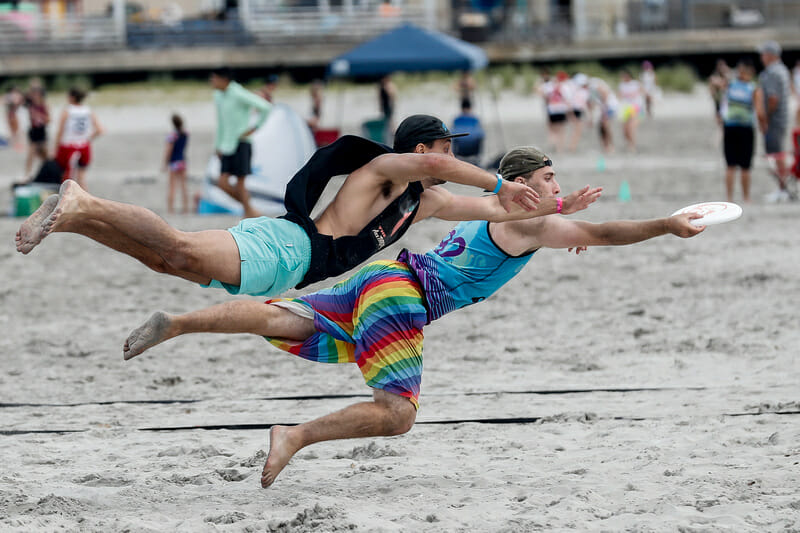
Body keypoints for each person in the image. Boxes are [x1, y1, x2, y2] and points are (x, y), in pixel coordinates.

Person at [121, 146, 703, 489]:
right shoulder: (531, 222)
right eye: (549, 179)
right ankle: (293, 436)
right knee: (397, 415)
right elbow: (603, 233)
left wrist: (560, 208)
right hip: (403, 300)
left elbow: (551, 218)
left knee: (284, 319)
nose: (558, 185)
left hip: (381, 277)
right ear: (523, 183)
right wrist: (667, 225)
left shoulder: (492, 208)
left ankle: (179, 322)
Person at [16, 114, 540, 300]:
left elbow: (497, 213)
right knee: (176, 246)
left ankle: (76, 218)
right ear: (420, 151)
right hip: (289, 247)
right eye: (445, 145)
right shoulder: (381, 172)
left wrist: (551, 207)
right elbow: (448, 171)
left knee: (165, 261)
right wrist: (498, 179)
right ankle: (83, 199)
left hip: (292, 269)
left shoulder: (422, 204)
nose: (451, 154)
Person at [210, 67, 272, 218]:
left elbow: (265, 107)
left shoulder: (237, 93)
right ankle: (250, 209)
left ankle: (249, 212)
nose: (211, 81)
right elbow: (221, 123)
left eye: (214, 78)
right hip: (227, 144)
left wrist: (254, 127)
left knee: (240, 183)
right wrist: (218, 146)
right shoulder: (218, 96)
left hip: (242, 142)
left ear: (224, 79)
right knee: (222, 183)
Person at [755, 41, 792, 202]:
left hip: (775, 120)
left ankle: (782, 189)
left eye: (763, 53)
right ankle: (782, 188)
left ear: (770, 55)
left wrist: (765, 118)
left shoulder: (772, 73)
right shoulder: (783, 70)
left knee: (776, 155)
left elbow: (772, 98)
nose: (761, 57)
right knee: (778, 154)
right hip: (782, 118)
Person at [720, 59, 757, 203]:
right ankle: (746, 197)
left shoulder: (730, 85)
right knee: (745, 166)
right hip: (746, 127)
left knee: (730, 165)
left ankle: (729, 198)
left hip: (730, 127)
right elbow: (758, 110)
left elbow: (718, 92)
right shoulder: (753, 88)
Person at [53, 87, 103, 191]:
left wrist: (55, 148)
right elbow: (100, 130)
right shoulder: (88, 110)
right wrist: (87, 139)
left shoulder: (67, 111)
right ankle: (86, 202)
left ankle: (65, 203)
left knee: (66, 179)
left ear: (72, 97)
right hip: (84, 147)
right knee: (81, 179)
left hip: (69, 147)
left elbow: (60, 132)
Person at [163, 113, 189, 214]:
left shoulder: (172, 136)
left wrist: (165, 163)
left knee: (172, 186)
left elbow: (168, 150)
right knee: (183, 186)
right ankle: (185, 208)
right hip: (182, 161)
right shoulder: (185, 134)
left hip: (174, 162)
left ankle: (171, 209)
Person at [23, 81, 50, 180]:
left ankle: (48, 171)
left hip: (42, 130)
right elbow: (25, 95)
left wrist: (40, 117)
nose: (34, 95)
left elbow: (48, 119)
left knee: (45, 155)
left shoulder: (43, 105)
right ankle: (27, 174)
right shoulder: (30, 104)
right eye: (33, 93)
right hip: (33, 131)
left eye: (36, 93)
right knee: (31, 153)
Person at [617, 70, 643, 152]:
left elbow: (643, 92)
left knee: (631, 128)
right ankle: (629, 144)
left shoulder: (635, 84)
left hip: (635, 107)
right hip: (625, 108)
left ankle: (632, 146)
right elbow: (619, 96)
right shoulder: (622, 85)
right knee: (625, 130)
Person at [709, 59, 731, 128]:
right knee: (719, 115)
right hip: (718, 99)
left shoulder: (727, 76)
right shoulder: (714, 76)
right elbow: (713, 84)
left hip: (725, 99)